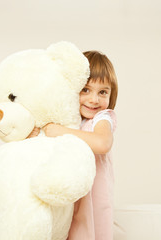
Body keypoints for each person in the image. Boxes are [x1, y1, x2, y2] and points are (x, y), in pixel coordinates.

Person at [30, 50, 118, 239]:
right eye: (85, 90)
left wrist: (60, 131)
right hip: (67, 198)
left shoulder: (102, 118)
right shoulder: (68, 122)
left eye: (102, 92)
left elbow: (102, 143)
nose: (94, 99)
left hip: (94, 204)